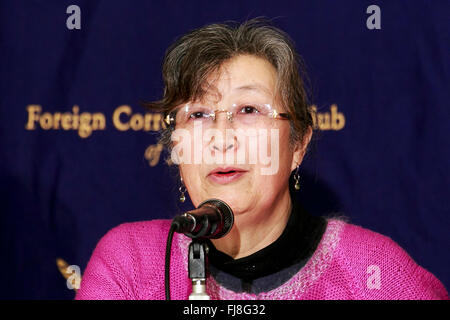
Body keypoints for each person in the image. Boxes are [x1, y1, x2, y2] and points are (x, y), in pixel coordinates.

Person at [76, 19, 448, 300]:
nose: (221, 139)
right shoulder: (128, 264)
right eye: (199, 114)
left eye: (249, 109)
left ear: (298, 144)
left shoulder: (377, 275)